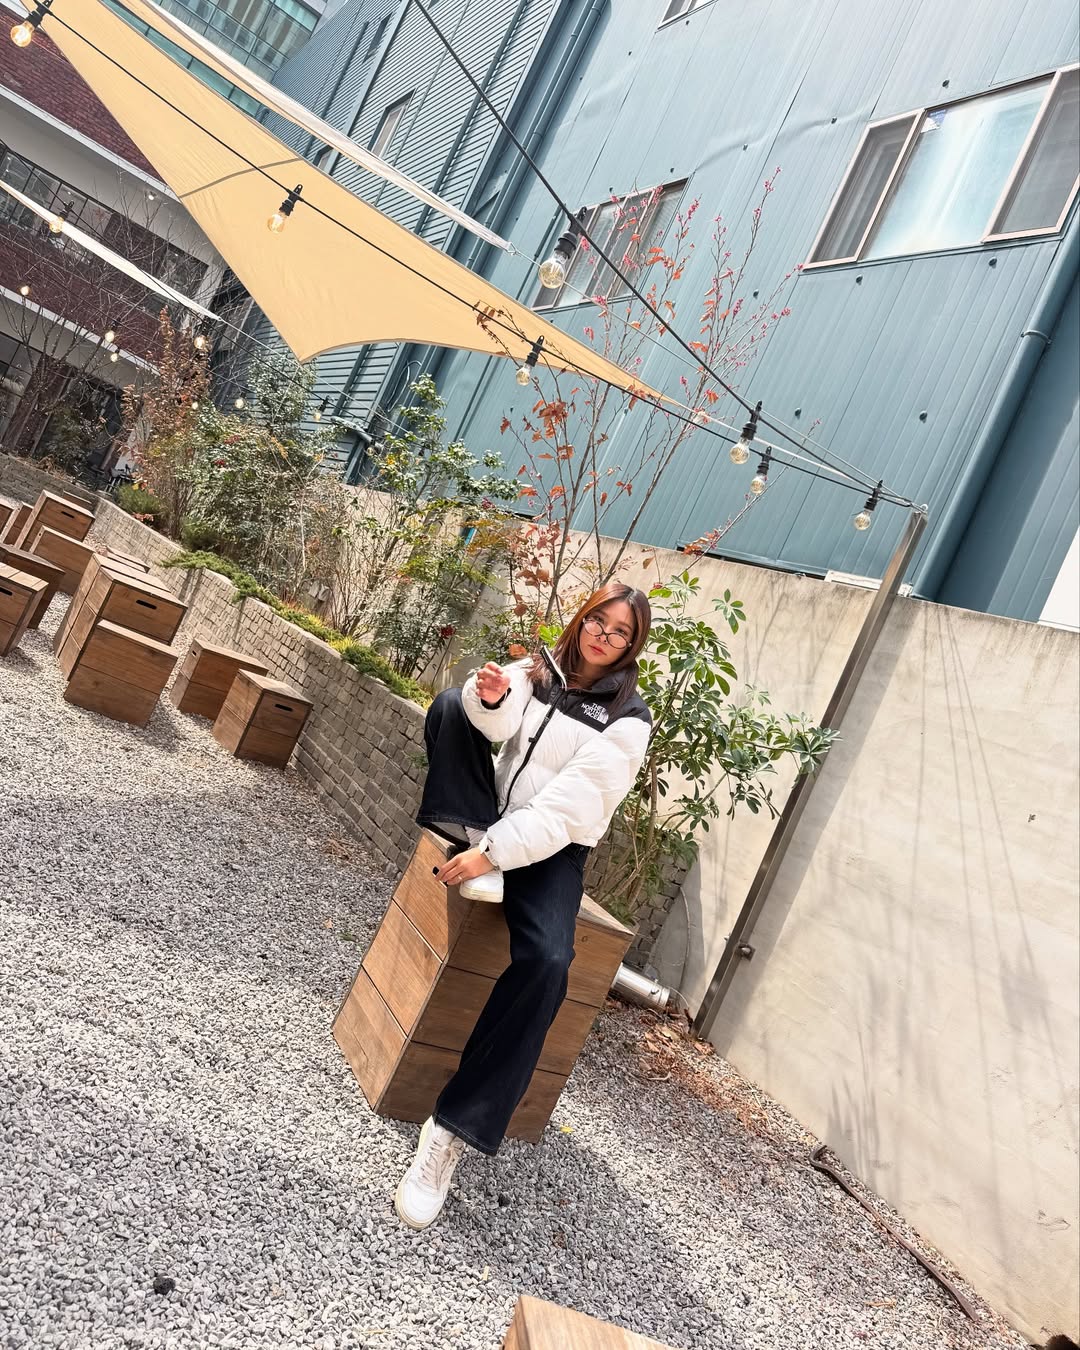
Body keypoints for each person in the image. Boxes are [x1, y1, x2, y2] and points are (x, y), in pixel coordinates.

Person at [394, 581, 654, 1229]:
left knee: (549, 963)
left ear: (632, 645)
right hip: (491, 818)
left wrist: (495, 855)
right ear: (582, 618)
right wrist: (491, 698)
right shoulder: (541, 669)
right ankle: (470, 832)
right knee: (450, 705)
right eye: (598, 621)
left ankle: (449, 1133)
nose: (603, 636)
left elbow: (569, 809)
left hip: (553, 847)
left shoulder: (627, 719)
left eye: (620, 632)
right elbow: (496, 727)